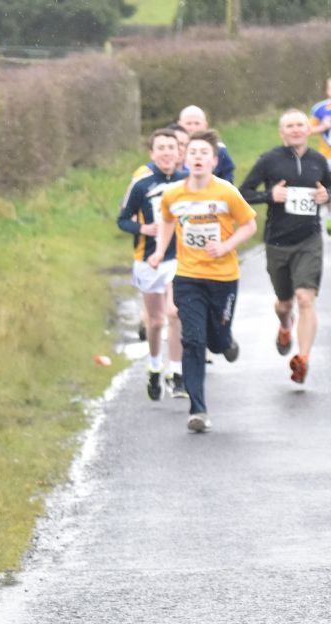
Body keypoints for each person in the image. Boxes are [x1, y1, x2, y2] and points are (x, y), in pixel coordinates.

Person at [149, 130, 257, 433]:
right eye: (192, 153)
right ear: (185, 159)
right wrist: (159, 251)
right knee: (194, 340)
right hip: (189, 277)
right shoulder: (173, 195)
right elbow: (167, 221)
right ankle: (197, 410)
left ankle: (226, 342)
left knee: (217, 342)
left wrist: (225, 246)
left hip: (223, 277)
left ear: (214, 161)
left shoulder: (225, 193)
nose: (197, 158)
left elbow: (249, 225)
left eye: (203, 153)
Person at [239, 109, 330, 384]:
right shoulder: (269, 160)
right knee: (284, 303)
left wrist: (326, 195)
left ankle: (302, 359)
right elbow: (243, 193)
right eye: (289, 126)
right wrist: (270, 195)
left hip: (309, 240)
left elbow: (329, 191)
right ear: (282, 132)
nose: (295, 129)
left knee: (305, 298)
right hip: (277, 241)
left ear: (308, 129)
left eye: (300, 124)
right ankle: (284, 324)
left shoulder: (319, 161)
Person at [118, 128, 188, 399]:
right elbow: (122, 220)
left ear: (179, 152)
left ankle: (177, 373)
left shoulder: (187, 182)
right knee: (156, 321)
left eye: (171, 147)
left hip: (179, 257)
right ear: (152, 153)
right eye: (161, 148)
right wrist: (143, 228)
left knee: (175, 313)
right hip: (148, 260)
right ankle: (155, 367)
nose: (167, 153)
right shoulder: (141, 185)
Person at [179, 105, 236, 184]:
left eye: (197, 123)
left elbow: (227, 176)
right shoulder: (171, 148)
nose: (193, 128)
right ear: (180, 125)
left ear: (205, 125)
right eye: (188, 123)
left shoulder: (219, 149)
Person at [309, 78, 331, 167]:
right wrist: (323, 127)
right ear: (327, 91)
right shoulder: (319, 108)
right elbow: (308, 130)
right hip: (327, 158)